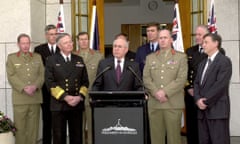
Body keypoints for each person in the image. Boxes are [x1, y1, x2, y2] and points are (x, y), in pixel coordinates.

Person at [143, 29, 188, 144]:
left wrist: (165, 92)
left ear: (171, 40)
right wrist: (156, 92)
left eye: (165, 38)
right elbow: (146, 78)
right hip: (155, 104)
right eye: (160, 38)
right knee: (156, 139)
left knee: (174, 139)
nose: (162, 40)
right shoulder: (150, 58)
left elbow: (181, 79)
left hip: (172, 103)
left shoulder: (180, 57)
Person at [45, 33, 89, 144]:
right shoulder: (51, 60)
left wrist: (80, 97)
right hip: (59, 104)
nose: (70, 44)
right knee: (59, 137)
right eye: (66, 42)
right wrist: (65, 97)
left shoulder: (79, 59)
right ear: (59, 46)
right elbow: (50, 82)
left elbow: (85, 82)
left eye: (70, 41)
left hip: (76, 104)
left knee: (77, 137)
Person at [6, 33, 44, 144]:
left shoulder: (37, 57)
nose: (26, 46)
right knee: (20, 128)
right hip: (20, 98)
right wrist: (24, 88)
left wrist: (35, 86)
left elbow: (42, 74)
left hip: (35, 98)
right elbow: (11, 76)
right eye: (23, 43)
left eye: (27, 43)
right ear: (18, 44)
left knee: (33, 128)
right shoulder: (12, 58)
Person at [194, 33, 232, 144]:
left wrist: (205, 101)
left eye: (206, 42)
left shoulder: (224, 61)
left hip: (217, 111)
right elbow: (196, 83)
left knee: (218, 140)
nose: (203, 44)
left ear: (216, 43)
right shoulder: (202, 63)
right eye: (203, 42)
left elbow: (220, 85)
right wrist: (197, 99)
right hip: (202, 112)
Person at [74, 31, 103, 144]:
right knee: (77, 127)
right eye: (81, 39)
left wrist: (97, 94)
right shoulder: (73, 56)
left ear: (89, 40)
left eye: (85, 39)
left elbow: (101, 77)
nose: (83, 41)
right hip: (77, 97)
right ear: (78, 41)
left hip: (91, 96)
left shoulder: (98, 56)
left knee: (92, 126)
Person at [34, 24, 60, 144]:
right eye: (51, 34)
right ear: (46, 35)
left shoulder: (62, 48)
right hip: (45, 91)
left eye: (55, 34)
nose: (54, 36)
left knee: (59, 120)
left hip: (60, 90)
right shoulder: (39, 50)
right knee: (47, 120)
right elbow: (38, 70)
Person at [184, 25, 209, 144]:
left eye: (200, 34)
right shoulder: (190, 51)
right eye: (196, 34)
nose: (197, 37)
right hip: (191, 94)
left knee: (206, 126)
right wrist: (189, 87)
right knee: (192, 125)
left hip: (206, 95)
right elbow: (184, 72)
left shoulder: (212, 51)